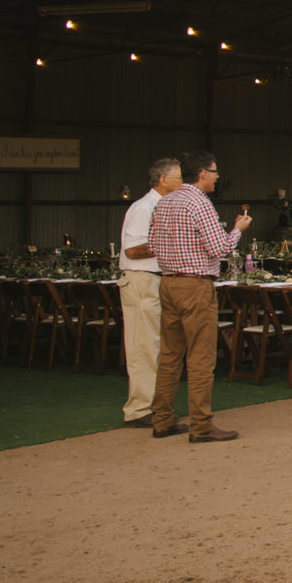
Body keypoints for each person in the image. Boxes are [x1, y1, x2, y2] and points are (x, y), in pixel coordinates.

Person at [147, 150, 251, 443]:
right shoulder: (199, 203)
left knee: (169, 355)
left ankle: (163, 419)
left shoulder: (164, 202)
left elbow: (153, 245)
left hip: (168, 282)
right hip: (195, 284)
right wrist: (238, 230)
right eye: (215, 172)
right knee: (201, 357)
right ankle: (201, 425)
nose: (218, 178)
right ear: (203, 174)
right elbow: (219, 248)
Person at [115, 156, 181, 427]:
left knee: (155, 345)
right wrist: (168, 243)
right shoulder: (143, 207)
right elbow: (133, 249)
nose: (182, 183)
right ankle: (139, 409)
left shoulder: (163, 206)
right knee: (143, 346)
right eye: (178, 177)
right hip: (141, 279)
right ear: (163, 180)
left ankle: (155, 406)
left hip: (156, 280)